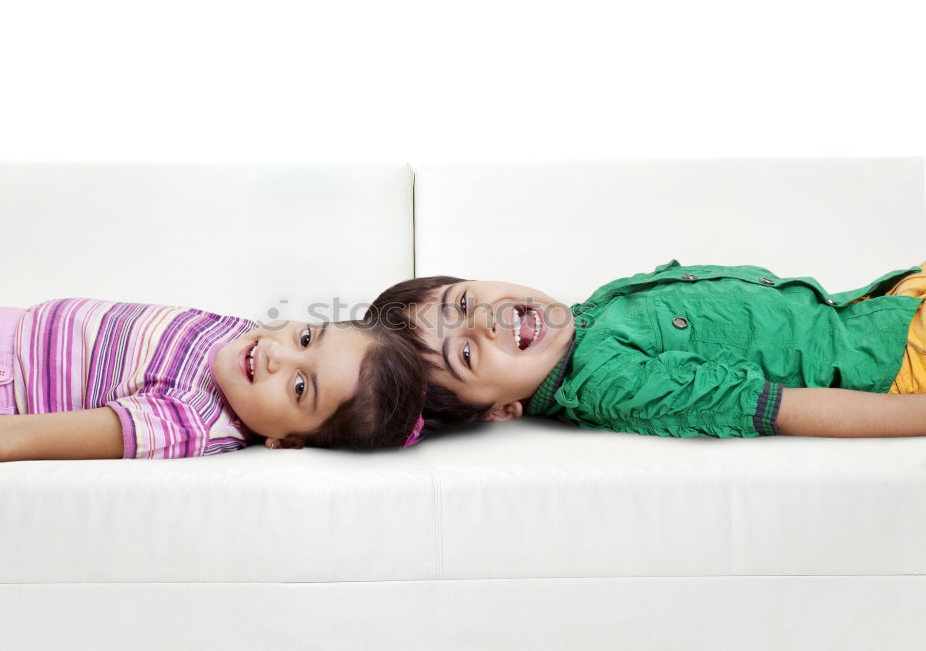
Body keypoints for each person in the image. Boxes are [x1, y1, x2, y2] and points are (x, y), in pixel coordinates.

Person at [368, 260, 926, 441]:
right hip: (895, 360)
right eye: (466, 355)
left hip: (883, 306)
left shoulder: (580, 320)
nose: (486, 323)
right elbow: (778, 407)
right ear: (499, 409)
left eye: (465, 303)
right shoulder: (611, 382)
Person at [0, 273, 425, 463]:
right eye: (306, 337)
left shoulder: (192, 421)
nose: (279, 355)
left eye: (300, 386)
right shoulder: (245, 341)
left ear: (289, 441)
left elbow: (14, 440)